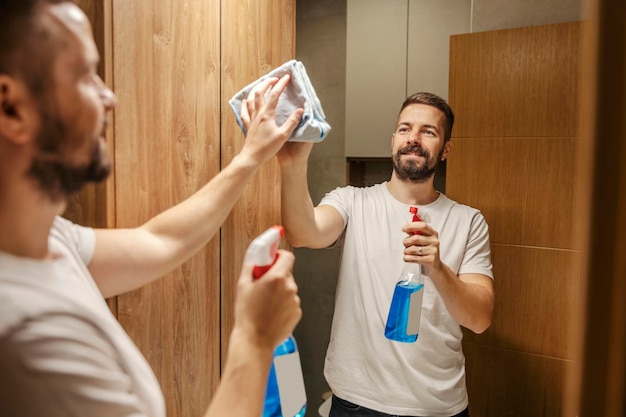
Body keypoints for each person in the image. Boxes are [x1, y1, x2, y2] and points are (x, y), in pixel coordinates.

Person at [0, 1, 304, 416]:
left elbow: (160, 240)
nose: (110, 97)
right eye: (86, 76)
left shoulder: (47, 237)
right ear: (12, 108)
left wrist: (249, 157)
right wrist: (254, 338)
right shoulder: (27, 337)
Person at [242, 91, 495, 417]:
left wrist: (438, 268)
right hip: (357, 403)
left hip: (438, 406)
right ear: (393, 140)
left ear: (445, 149)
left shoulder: (468, 221)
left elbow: (479, 320)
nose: (413, 138)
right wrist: (293, 165)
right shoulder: (352, 202)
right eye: (405, 129)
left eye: (428, 131)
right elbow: (303, 233)